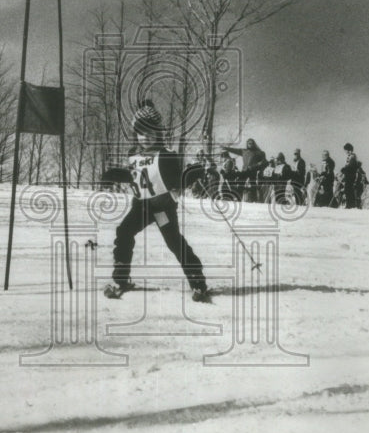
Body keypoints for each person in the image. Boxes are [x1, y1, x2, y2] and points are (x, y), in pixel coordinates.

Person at [102, 101, 211, 303]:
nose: (145, 137)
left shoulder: (166, 155)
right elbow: (135, 177)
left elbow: (178, 180)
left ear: (158, 133)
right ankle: (121, 277)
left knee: (174, 243)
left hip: (162, 207)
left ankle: (198, 282)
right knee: (124, 231)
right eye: (141, 133)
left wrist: (195, 172)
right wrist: (113, 174)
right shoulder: (133, 155)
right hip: (141, 206)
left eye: (150, 133)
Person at [221, 138, 267, 202]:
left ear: (254, 144)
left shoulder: (258, 152)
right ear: (247, 144)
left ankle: (254, 200)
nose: (250, 144)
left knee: (253, 185)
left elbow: (264, 162)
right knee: (240, 184)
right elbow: (235, 150)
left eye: (251, 143)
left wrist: (255, 166)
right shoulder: (244, 151)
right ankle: (238, 198)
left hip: (252, 171)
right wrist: (226, 148)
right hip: (244, 171)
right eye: (249, 143)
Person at [339, 142, 365, 209]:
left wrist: (344, 169)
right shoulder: (349, 157)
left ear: (349, 150)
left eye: (346, 150)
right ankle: (349, 204)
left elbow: (351, 166)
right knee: (347, 189)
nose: (346, 152)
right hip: (348, 174)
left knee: (348, 189)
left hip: (351, 175)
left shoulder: (352, 157)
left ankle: (350, 204)